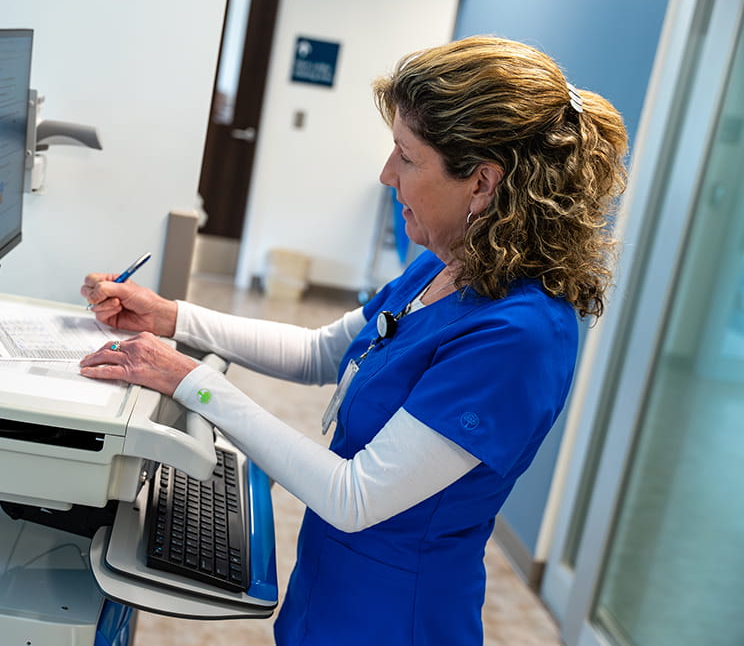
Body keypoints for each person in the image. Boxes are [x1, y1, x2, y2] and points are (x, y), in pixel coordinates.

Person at [79, 35, 628, 645]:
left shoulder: (517, 337)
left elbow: (355, 495)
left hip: (395, 618)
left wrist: (189, 382)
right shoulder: (447, 263)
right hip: (332, 587)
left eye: (407, 156)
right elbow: (322, 351)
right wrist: (170, 317)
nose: (386, 174)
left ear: (482, 184)